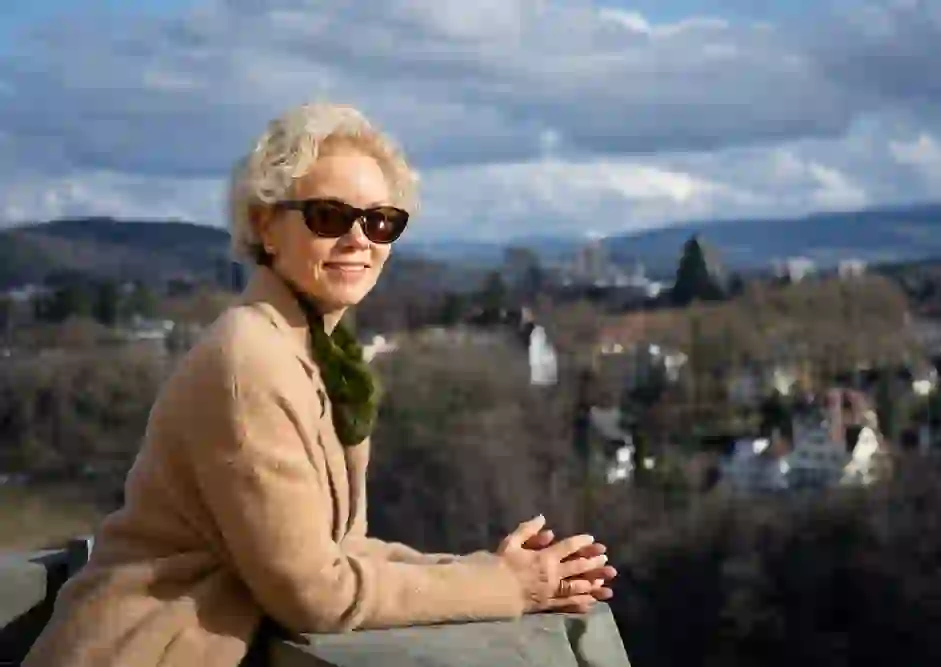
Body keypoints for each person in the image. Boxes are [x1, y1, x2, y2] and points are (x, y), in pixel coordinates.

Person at [23, 102, 616, 667]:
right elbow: (315, 592)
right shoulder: (249, 362)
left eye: (382, 222)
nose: (361, 240)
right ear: (265, 225)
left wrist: (496, 570)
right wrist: (503, 587)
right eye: (330, 216)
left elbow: (339, 552)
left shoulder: (318, 354)